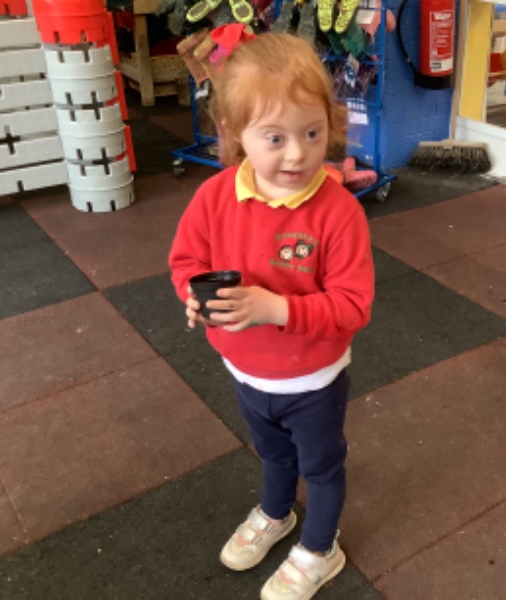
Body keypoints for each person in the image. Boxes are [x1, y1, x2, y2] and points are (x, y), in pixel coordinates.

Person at [168, 29, 374, 600]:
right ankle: (276, 513)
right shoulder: (213, 197)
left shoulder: (338, 212)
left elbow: (353, 305)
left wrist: (275, 307)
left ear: (330, 124)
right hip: (244, 369)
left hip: (313, 380)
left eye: (312, 132)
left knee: (322, 466)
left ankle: (320, 548)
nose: (298, 153)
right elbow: (186, 262)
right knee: (273, 454)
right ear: (234, 133)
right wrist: (192, 295)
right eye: (275, 137)